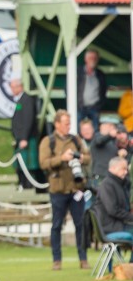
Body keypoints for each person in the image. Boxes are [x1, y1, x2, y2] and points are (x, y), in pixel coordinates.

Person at [38, 109, 91, 270]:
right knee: (56, 225)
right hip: (58, 189)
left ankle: (83, 259)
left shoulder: (76, 140)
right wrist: (62, 158)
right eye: (66, 123)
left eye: (69, 123)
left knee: (81, 224)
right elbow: (44, 163)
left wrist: (80, 158)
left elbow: (88, 157)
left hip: (76, 188)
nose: (68, 126)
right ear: (57, 124)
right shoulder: (48, 141)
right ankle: (57, 260)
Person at [10, 78, 43, 189]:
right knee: (21, 165)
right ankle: (22, 185)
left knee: (28, 166)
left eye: (13, 87)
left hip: (26, 139)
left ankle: (29, 187)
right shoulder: (21, 100)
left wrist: (24, 138)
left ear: (20, 86)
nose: (11, 90)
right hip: (21, 138)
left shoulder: (27, 99)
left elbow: (28, 119)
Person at [93, 157, 133, 244]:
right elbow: (113, 210)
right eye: (123, 169)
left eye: (126, 169)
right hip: (111, 227)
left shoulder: (121, 184)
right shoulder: (107, 185)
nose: (126, 172)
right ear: (112, 168)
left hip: (119, 224)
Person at [77, 48, 107, 130]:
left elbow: (103, 92)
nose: (93, 60)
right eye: (91, 58)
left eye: (95, 58)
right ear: (85, 59)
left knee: (95, 129)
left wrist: (98, 105)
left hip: (94, 107)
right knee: (76, 129)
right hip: (80, 107)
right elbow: (68, 89)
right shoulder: (78, 72)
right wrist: (77, 104)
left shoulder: (100, 74)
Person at [89, 117, 120, 192]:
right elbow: (99, 141)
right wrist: (109, 135)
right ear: (102, 126)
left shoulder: (112, 142)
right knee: (100, 200)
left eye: (113, 126)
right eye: (109, 125)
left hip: (111, 176)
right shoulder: (97, 137)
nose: (112, 128)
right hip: (100, 176)